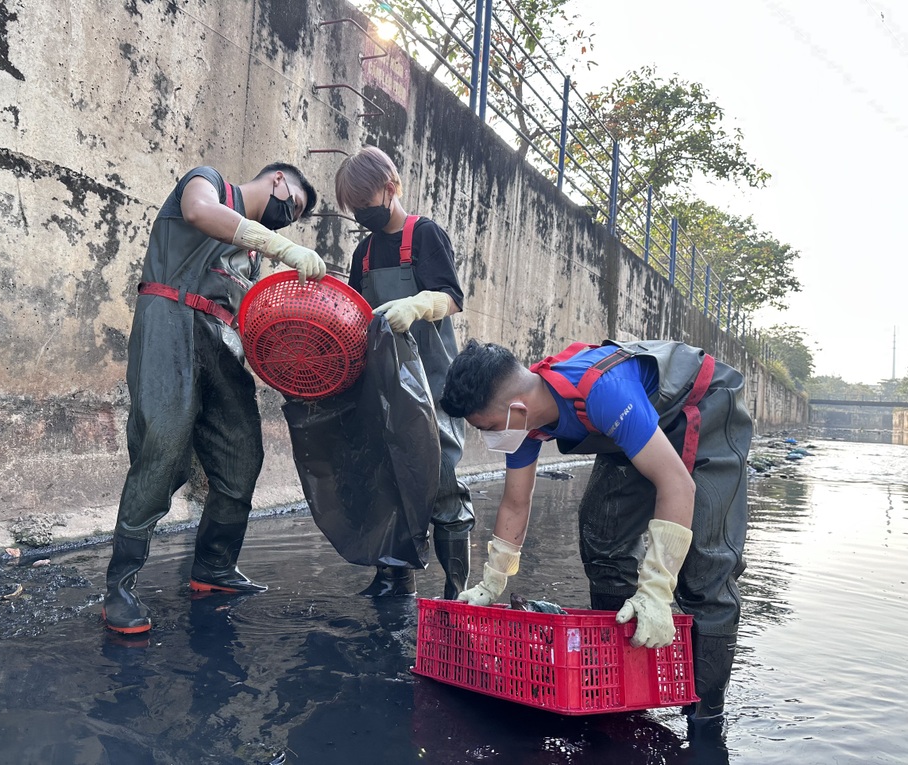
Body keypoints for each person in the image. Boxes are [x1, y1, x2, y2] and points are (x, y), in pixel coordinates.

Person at [438, 338, 752, 740]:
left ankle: (706, 720)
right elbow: (516, 502)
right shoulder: (527, 423)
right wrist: (492, 582)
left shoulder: (603, 392)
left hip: (702, 409)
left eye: (485, 428)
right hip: (638, 424)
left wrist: (656, 590)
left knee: (705, 567)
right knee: (602, 536)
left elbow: (677, 485)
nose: (487, 439)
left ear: (516, 409)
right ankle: (621, 683)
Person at [102, 162, 327, 634]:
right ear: (279, 181)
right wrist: (284, 246)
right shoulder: (208, 182)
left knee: (241, 455)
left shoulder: (253, 258)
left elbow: (254, 319)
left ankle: (215, 567)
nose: (290, 216)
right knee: (162, 450)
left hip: (223, 344)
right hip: (170, 319)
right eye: (296, 204)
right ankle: (119, 587)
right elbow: (200, 212)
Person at [333, 146, 474, 598]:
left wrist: (418, 304)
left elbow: (452, 296)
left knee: (443, 480)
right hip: (384, 386)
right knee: (387, 477)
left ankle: (456, 592)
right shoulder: (366, 252)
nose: (362, 214)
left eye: (366, 203)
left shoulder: (425, 234)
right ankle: (393, 578)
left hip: (433, 382)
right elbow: (354, 315)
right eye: (355, 209)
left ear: (390, 188)